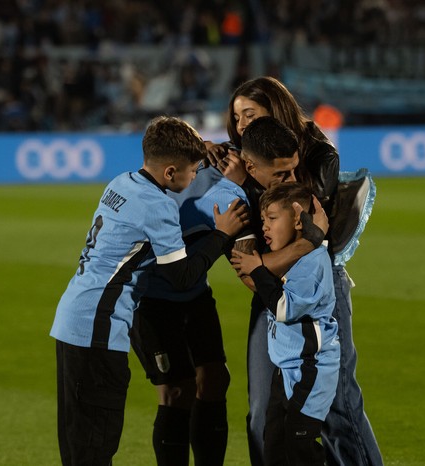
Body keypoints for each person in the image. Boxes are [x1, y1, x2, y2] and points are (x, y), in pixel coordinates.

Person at [49, 115, 250, 466]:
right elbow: (182, 276)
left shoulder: (122, 183)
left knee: (80, 441)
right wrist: (221, 234)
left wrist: (199, 147)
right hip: (98, 328)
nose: (195, 177)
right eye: (192, 170)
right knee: (95, 444)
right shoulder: (157, 206)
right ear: (170, 172)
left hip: (74, 320)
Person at [208, 77, 382, 466]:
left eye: (250, 114)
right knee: (262, 411)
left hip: (315, 287)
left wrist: (244, 187)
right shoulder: (243, 163)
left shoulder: (316, 156)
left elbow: (304, 233)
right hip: (270, 292)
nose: (241, 126)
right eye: (236, 118)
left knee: (337, 407)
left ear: (276, 111)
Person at [130, 127, 329, 466]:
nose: (290, 179)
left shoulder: (229, 175)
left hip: (193, 293)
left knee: (214, 379)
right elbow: (253, 276)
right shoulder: (229, 194)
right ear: (251, 167)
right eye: (281, 173)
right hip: (149, 298)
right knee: (176, 392)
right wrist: (310, 241)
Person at [231, 182, 340, 466]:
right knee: (275, 445)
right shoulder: (293, 259)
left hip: (310, 370)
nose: (264, 227)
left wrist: (257, 269)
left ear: (297, 218)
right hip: (287, 369)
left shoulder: (313, 262)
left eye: (272, 218)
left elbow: (283, 307)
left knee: (299, 446)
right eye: (263, 219)